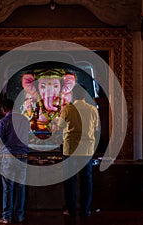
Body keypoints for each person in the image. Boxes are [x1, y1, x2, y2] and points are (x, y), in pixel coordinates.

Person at [57, 84, 100, 217]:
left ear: (73, 95)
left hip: (70, 149)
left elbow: (60, 127)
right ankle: (85, 210)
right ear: (84, 96)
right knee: (86, 180)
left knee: (70, 181)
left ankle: (71, 210)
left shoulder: (68, 109)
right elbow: (96, 128)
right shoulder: (93, 109)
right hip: (87, 150)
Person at [0, 98, 30, 224]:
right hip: (23, 157)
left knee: (8, 188)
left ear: (3, 109)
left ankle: (7, 217)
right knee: (20, 188)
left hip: (8, 158)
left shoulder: (3, 122)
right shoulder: (25, 120)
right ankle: (19, 216)